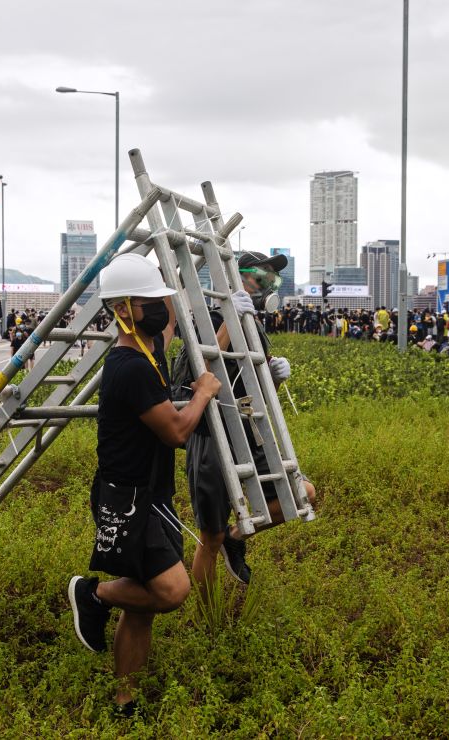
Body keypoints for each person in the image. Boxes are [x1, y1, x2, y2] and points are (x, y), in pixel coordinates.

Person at [67, 253, 220, 715]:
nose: (159, 308)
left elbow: (170, 320)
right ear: (122, 309)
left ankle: (124, 698)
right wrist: (202, 394)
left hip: (152, 494)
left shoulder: (148, 352)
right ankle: (91, 593)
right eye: (147, 301)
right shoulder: (129, 368)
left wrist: (169, 263)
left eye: (158, 300)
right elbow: (176, 433)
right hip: (130, 496)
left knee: (143, 604)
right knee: (171, 590)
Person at [183, 251, 316, 595]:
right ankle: (208, 618)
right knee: (209, 536)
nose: (261, 285)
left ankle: (236, 537)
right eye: (256, 276)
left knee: (302, 495)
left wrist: (275, 377)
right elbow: (192, 378)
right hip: (212, 433)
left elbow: (255, 385)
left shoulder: (254, 324)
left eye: (268, 280)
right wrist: (229, 317)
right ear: (232, 278)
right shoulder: (207, 318)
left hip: (248, 426)